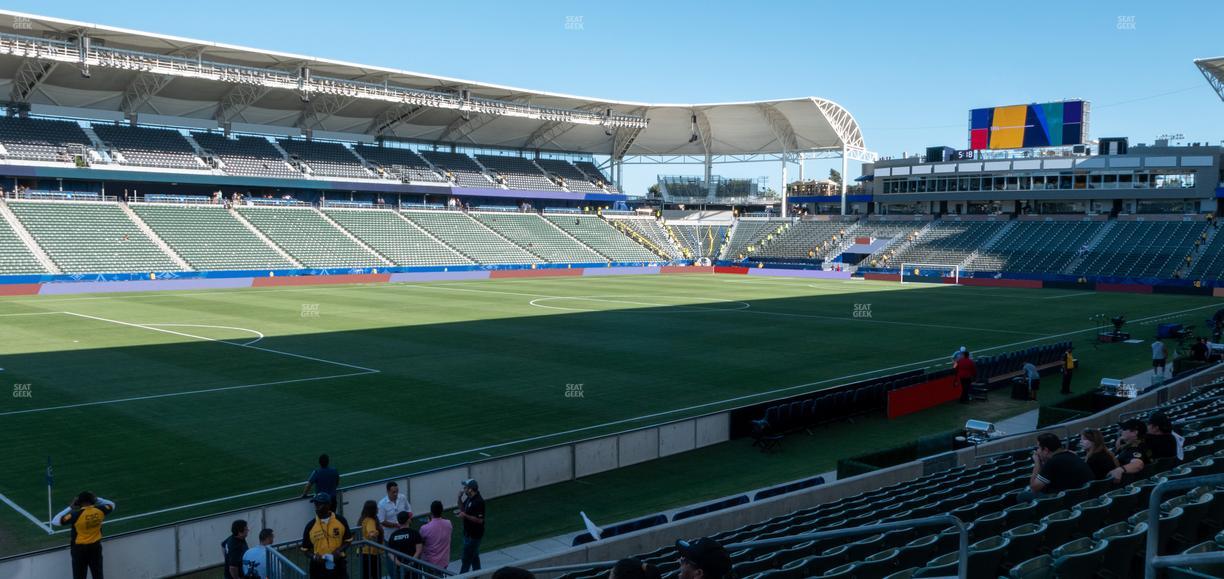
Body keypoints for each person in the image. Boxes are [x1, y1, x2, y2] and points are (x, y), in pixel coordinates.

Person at [53, 491, 116, 579]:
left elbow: (55, 521)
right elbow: (112, 504)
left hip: (79, 550)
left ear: (78, 503)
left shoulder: (75, 515)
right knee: (98, 575)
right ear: (92, 500)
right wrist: (97, 499)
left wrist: (70, 507)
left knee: (79, 576)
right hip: (95, 548)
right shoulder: (101, 510)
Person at [1019, 432, 1093, 502]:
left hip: (1065, 500)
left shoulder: (1053, 462)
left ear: (1045, 450)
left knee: (1022, 496)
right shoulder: (1072, 455)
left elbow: (1034, 488)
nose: (1037, 451)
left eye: (1038, 448)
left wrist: (1037, 464)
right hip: (1082, 496)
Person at [300, 492, 353, 579]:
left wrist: (339, 550)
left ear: (328, 505)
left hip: (338, 563)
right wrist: (314, 557)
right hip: (318, 567)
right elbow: (305, 550)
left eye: (319, 504)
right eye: (315, 504)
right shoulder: (310, 526)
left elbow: (348, 540)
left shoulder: (341, 520)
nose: (316, 507)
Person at [1109, 419, 1152, 484]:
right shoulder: (1141, 443)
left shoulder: (1135, 448)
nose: (1121, 431)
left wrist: (1120, 470)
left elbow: (1138, 464)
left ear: (1135, 432)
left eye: (1124, 429)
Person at [457, 479, 486, 573]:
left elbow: (480, 520)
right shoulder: (469, 498)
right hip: (467, 533)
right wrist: (459, 498)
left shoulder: (478, 501)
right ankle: (477, 574)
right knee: (474, 557)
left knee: (466, 560)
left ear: (471, 489)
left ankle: (462, 576)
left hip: (474, 536)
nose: (463, 489)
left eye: (465, 487)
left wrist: (465, 516)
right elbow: (462, 509)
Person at [419, 500, 453, 571]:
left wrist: (429, 523)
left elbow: (421, 542)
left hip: (429, 563)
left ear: (431, 512)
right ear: (442, 510)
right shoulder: (449, 523)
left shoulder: (424, 528)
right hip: (443, 562)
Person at [357, 500, 381, 579]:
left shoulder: (362, 519)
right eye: (376, 507)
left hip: (363, 552)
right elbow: (372, 533)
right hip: (371, 553)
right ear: (373, 510)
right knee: (375, 575)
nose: (378, 509)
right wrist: (377, 532)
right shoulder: (370, 521)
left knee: (365, 575)